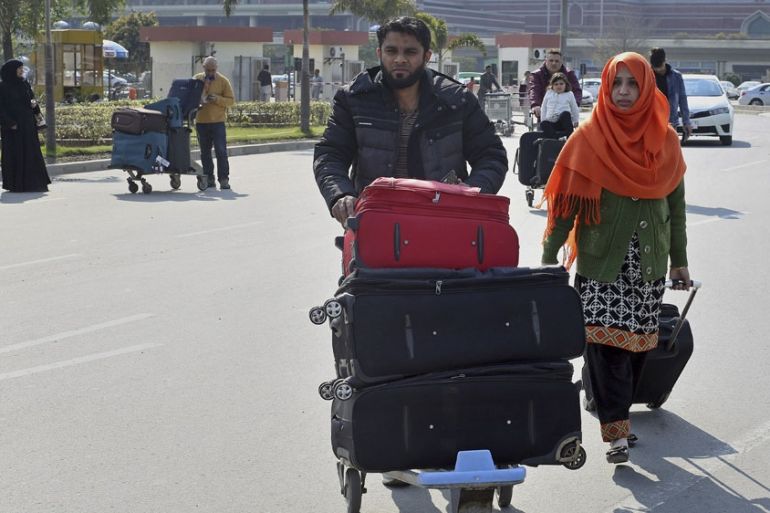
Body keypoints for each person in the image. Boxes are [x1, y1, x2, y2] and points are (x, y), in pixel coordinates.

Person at [540, 52, 690, 465]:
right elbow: (566, 206)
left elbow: (676, 208)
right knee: (606, 347)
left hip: (649, 264)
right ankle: (616, 432)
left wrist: (679, 260)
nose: (623, 92)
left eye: (632, 84)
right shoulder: (588, 137)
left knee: (639, 345)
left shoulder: (666, 140)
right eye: (616, 83)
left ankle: (609, 404)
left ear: (647, 89)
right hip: (600, 264)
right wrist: (549, 258)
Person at [314, 16, 508, 229]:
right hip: (373, 224)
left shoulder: (457, 100)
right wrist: (340, 194)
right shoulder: (353, 99)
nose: (400, 59)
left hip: (444, 225)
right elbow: (330, 154)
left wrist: (470, 192)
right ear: (379, 53)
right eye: (391, 51)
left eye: (410, 52)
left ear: (426, 56)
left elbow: (491, 156)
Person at [0, 58, 51, 193]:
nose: (22, 71)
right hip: (13, 127)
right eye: (19, 69)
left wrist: (34, 106)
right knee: (15, 154)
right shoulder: (3, 87)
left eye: (22, 68)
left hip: (28, 125)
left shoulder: (24, 83)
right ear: (12, 70)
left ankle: (34, 183)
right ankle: (15, 184)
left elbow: (31, 99)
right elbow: (1, 108)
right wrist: (9, 123)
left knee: (31, 153)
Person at [193, 56, 235, 189]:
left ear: (216, 68)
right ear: (203, 68)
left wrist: (217, 99)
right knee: (205, 153)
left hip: (218, 122)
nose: (210, 73)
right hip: (201, 121)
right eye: (208, 70)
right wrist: (201, 94)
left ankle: (224, 179)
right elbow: (190, 96)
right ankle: (209, 178)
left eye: (213, 70)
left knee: (221, 151)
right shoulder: (197, 79)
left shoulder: (223, 81)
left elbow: (231, 101)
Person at [649, 47, 692, 142]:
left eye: (660, 67)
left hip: (671, 121)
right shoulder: (647, 75)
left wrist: (686, 122)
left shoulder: (676, 76)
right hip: (651, 122)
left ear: (665, 61)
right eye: (655, 67)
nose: (658, 70)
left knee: (670, 149)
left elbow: (682, 100)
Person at [529, 49, 582, 121]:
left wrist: (574, 105)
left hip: (566, 116)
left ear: (561, 62)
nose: (554, 63)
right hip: (546, 114)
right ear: (546, 60)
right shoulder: (537, 75)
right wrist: (535, 105)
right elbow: (534, 90)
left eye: (557, 61)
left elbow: (577, 91)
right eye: (551, 60)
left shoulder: (569, 74)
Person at [539, 72, 580, 138]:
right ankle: (555, 138)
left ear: (565, 84)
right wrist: (543, 119)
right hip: (551, 122)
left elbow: (574, 108)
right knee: (543, 124)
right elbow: (544, 107)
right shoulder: (549, 93)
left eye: (561, 84)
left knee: (566, 114)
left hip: (563, 123)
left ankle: (570, 137)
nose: (559, 86)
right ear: (552, 86)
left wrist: (576, 120)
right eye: (556, 84)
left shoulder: (569, 94)